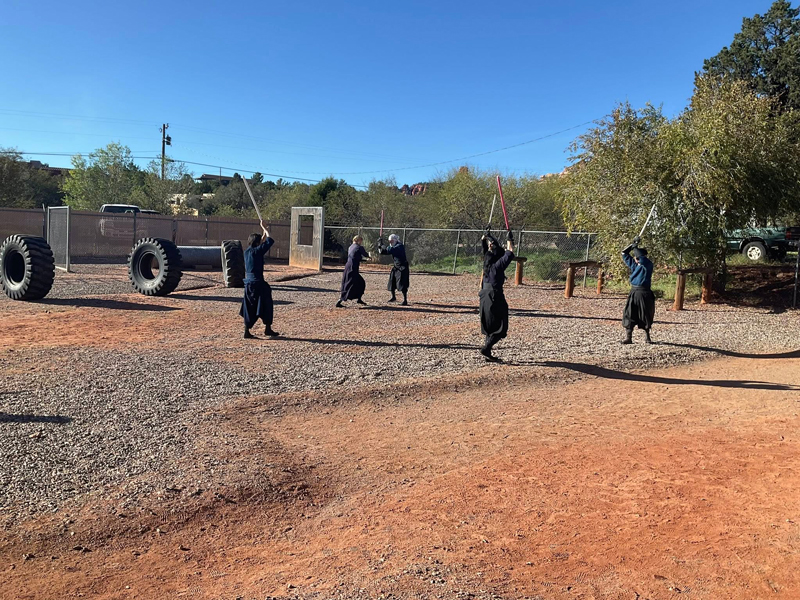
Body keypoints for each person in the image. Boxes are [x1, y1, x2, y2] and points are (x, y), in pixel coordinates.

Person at [479, 231, 515, 362]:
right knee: (501, 326)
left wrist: (487, 237)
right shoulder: (497, 267)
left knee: (489, 324)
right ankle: (486, 348)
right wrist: (510, 239)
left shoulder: (487, 265)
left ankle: (487, 351)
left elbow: (487, 248)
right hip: (495, 295)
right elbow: (510, 252)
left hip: (484, 296)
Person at [240, 221, 279, 339]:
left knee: (249, 307)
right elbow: (269, 239)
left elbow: (262, 241)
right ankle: (268, 328)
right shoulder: (258, 251)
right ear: (257, 243)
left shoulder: (247, 252)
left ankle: (246, 330)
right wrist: (265, 228)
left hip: (248, 284)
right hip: (259, 284)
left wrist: (263, 231)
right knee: (267, 304)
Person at [621, 236, 655, 344]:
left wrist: (635, 248)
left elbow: (641, 258)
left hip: (644, 292)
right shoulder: (635, 265)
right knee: (629, 314)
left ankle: (647, 337)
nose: (635, 258)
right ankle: (629, 338)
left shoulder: (648, 264)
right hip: (634, 292)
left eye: (637, 257)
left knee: (645, 314)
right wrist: (633, 245)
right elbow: (624, 253)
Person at [336, 235, 370, 308]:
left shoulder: (350, 247)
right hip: (353, 267)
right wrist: (368, 257)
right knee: (350, 284)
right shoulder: (359, 247)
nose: (361, 242)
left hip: (348, 266)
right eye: (361, 241)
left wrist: (363, 259)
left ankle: (359, 299)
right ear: (358, 240)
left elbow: (355, 257)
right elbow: (364, 254)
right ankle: (340, 300)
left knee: (357, 282)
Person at [377, 233, 410, 305]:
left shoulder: (399, 246)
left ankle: (405, 300)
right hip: (396, 267)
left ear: (395, 240)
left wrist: (382, 245)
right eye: (389, 241)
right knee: (392, 282)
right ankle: (393, 297)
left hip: (402, 267)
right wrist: (379, 246)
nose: (390, 242)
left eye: (391, 241)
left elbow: (390, 250)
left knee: (402, 284)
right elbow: (383, 252)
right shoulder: (392, 246)